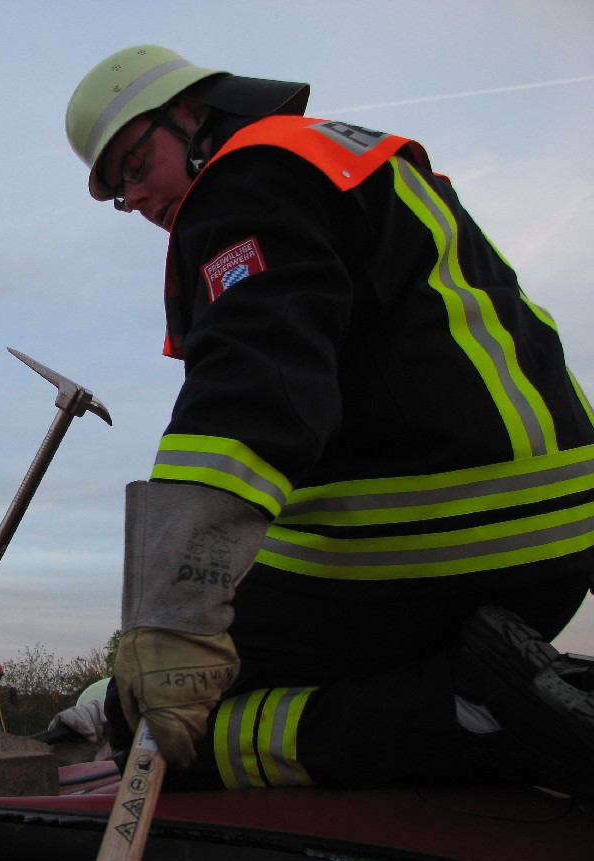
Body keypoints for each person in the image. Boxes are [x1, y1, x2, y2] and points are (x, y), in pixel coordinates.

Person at [64, 44, 594, 792]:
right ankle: (489, 688)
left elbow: (255, 381)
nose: (138, 198)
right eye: (120, 192)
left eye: (134, 164)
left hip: (438, 543)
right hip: (558, 547)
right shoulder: (348, 162)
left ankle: (469, 712)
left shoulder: (246, 176)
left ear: (193, 114)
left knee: (146, 718)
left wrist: (175, 610)